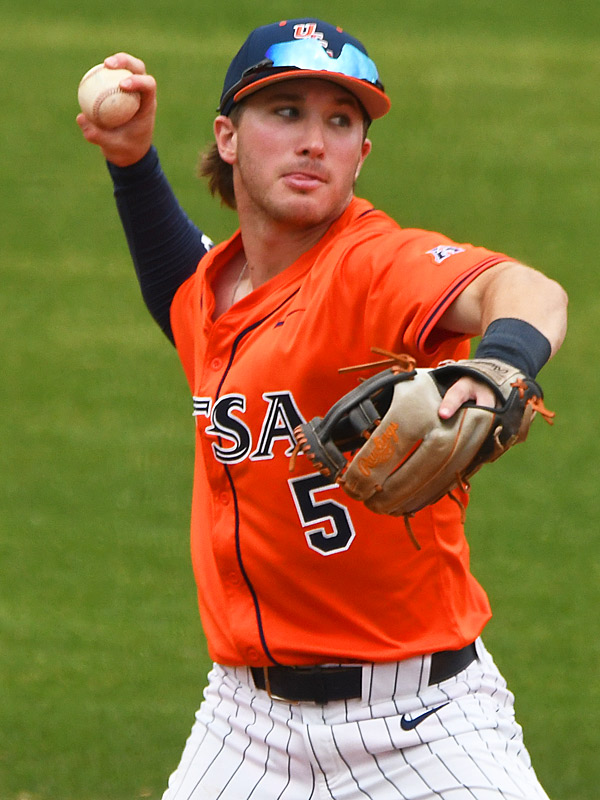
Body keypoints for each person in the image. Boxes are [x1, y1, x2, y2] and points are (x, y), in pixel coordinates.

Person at [77, 18, 568, 800]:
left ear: (360, 157)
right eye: (286, 112)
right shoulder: (218, 290)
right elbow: (179, 289)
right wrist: (132, 164)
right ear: (228, 137)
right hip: (245, 724)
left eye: (340, 122)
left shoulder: (374, 266)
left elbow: (530, 291)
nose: (314, 141)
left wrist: (502, 363)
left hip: (424, 724)